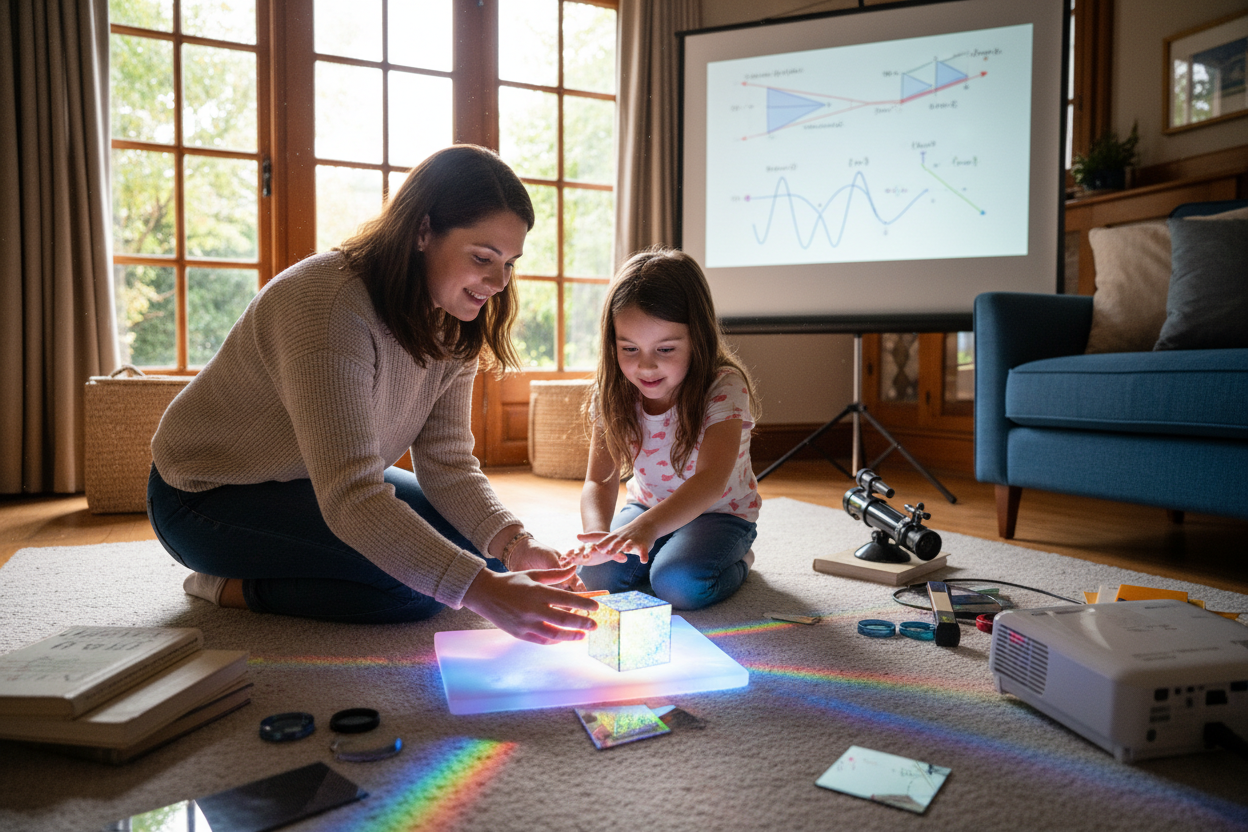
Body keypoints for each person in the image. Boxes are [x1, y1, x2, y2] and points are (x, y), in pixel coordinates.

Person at [147, 145, 598, 645]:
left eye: (510, 263)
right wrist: (485, 593)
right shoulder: (328, 306)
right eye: (482, 258)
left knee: (473, 554)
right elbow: (353, 497)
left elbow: (448, 462)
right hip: (208, 496)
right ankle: (230, 586)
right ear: (423, 231)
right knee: (415, 591)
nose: (497, 282)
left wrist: (516, 546)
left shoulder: (455, 319)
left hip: (312, 478)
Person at [571, 248, 761, 610]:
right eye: (629, 348)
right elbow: (599, 480)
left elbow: (710, 482)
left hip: (720, 514)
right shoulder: (613, 391)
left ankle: (742, 562)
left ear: (698, 339)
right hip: (648, 507)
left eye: (666, 348)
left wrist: (648, 529)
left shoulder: (723, 387)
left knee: (677, 585)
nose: (645, 366)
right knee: (595, 577)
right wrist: (598, 536)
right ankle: (660, 552)